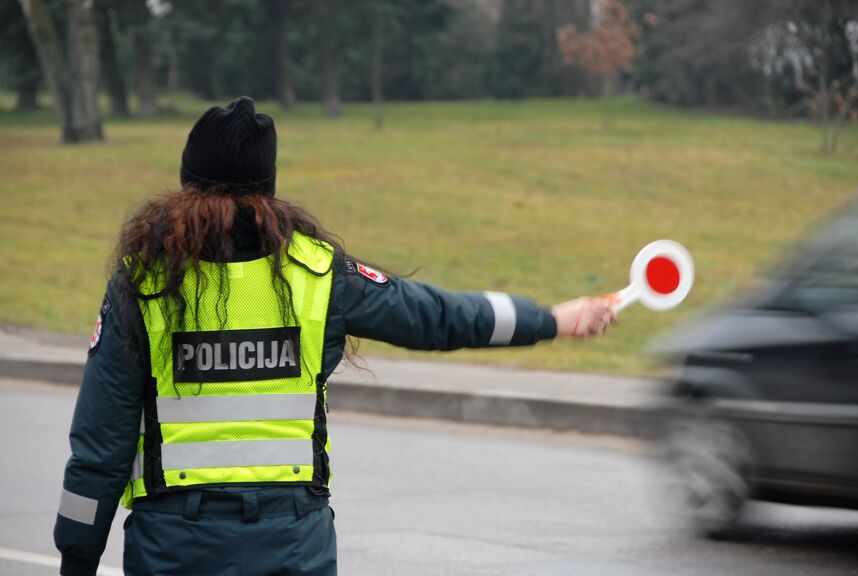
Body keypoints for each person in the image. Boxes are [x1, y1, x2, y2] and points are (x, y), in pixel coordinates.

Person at [53, 96, 616, 576]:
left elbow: (100, 447)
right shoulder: (320, 273)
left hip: (175, 547)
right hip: (292, 544)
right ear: (269, 189)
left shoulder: (143, 282)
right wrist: (552, 319)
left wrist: (77, 561)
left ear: (186, 183)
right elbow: (439, 316)